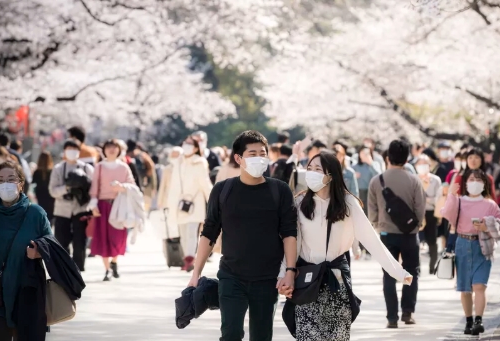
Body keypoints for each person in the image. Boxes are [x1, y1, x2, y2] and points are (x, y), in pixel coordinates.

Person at [279, 151, 412, 340]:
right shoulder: (300, 203)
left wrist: (398, 271)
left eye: (318, 169)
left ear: (331, 175)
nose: (311, 173)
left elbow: (371, 239)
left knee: (338, 336)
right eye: (309, 168)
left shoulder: (348, 203)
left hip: (337, 280)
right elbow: (293, 243)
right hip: (307, 282)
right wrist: (284, 274)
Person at [187, 130, 298, 341]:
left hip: (267, 279)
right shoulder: (222, 190)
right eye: (252, 153)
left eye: (263, 153)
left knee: (261, 336)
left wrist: (290, 271)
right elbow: (209, 233)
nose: (259, 158)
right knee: (230, 334)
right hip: (231, 276)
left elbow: (289, 233)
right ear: (238, 158)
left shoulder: (279, 190)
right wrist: (196, 273)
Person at [0, 160, 52, 340]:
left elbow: (53, 249)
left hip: (27, 291)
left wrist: (38, 252)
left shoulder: (36, 214)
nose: (6, 184)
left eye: (11, 179)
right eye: (1, 180)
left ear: (21, 183)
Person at [368, 140, 426, 328]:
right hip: (410, 234)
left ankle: (391, 318)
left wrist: (378, 225)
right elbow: (420, 209)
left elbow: (372, 210)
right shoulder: (414, 180)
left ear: (387, 158)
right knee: (412, 273)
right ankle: (407, 312)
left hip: (387, 234)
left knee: (388, 275)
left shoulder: (377, 180)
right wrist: (416, 225)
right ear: (407, 158)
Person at [443, 169, 500, 335]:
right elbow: (447, 215)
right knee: (465, 288)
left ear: (484, 184)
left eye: (479, 179)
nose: (475, 182)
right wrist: (451, 194)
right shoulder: (459, 201)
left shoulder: (490, 204)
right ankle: (468, 320)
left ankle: (478, 320)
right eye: (471, 179)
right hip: (462, 244)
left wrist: (486, 227)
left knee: (479, 286)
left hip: (483, 247)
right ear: (466, 183)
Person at [158, 138, 213, 271]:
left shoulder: (199, 162)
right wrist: (166, 202)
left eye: (190, 144)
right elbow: (172, 185)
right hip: (179, 203)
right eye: (185, 143)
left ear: (195, 148)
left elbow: (204, 182)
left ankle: (190, 258)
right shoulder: (178, 162)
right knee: (182, 231)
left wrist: (212, 198)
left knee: (191, 231)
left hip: (195, 202)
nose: (186, 146)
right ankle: (186, 258)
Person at [87, 139, 135, 281]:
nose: (112, 150)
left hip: (119, 205)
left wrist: (122, 187)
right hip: (103, 206)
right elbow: (94, 187)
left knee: (118, 237)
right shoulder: (99, 167)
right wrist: (93, 204)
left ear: (119, 150)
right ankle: (107, 269)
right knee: (103, 238)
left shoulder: (124, 167)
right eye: (108, 147)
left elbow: (132, 185)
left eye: (115, 147)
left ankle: (114, 262)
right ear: (104, 150)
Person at [49, 139, 94, 272]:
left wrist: (83, 188)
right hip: (62, 210)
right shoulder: (58, 169)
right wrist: (68, 187)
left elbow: (94, 189)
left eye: (75, 150)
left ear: (79, 152)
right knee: (61, 242)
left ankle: (78, 270)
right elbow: (52, 190)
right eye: (69, 149)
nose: (72, 152)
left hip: (81, 209)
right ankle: (64, 270)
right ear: (64, 151)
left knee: (80, 242)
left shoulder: (87, 168)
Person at [415, 154, 442, 274]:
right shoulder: (414, 179)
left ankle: (432, 266)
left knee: (432, 241)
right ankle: (417, 267)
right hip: (417, 213)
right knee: (416, 241)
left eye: (424, 164)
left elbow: (439, 198)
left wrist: (427, 199)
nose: (422, 166)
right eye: (419, 164)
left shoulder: (435, 180)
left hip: (431, 212)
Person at [352, 147, 379, 216]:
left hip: (370, 192)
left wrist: (371, 163)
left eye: (366, 153)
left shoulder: (374, 164)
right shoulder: (355, 166)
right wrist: (354, 176)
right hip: (359, 192)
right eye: (363, 153)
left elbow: (378, 176)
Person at [32, 151, 55, 222]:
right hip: (50, 196)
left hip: (40, 195)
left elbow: (33, 183)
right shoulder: (52, 171)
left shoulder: (36, 172)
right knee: (50, 216)